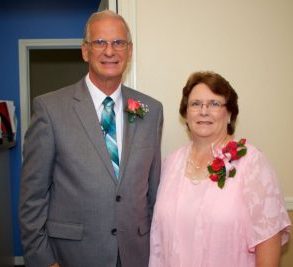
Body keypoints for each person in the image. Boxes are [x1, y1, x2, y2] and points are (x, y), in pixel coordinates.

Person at [19, 10, 163, 267]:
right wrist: (43, 261)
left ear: (129, 51)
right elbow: (32, 198)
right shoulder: (50, 109)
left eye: (119, 42)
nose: (110, 51)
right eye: (100, 42)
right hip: (72, 256)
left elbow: (152, 192)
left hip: (136, 255)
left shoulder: (150, 110)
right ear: (85, 51)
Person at [149, 71, 291, 267]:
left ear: (230, 113)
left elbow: (268, 246)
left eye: (214, 104)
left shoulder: (252, 162)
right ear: (186, 113)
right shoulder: (171, 164)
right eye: (195, 104)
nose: (203, 111)